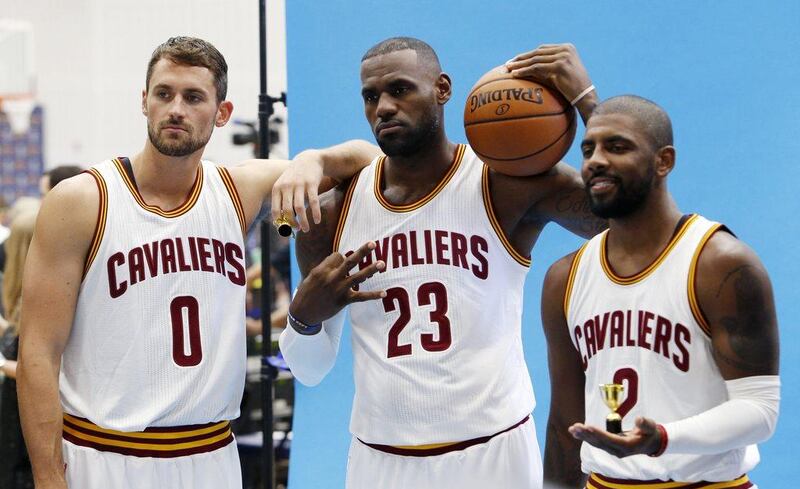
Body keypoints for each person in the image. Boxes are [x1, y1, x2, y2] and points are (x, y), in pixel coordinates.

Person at [16, 36, 380, 489]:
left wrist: (314, 158)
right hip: (103, 454)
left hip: (211, 456)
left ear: (221, 113)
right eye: (163, 94)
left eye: (193, 97)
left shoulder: (238, 190)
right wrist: (48, 477)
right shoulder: (83, 200)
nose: (175, 109)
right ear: (144, 102)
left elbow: (372, 162)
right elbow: (37, 352)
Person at [278, 37, 605, 489]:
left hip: (494, 451)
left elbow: (630, 222)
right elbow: (309, 371)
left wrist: (589, 105)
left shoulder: (502, 184)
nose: (384, 107)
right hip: (381, 460)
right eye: (371, 97)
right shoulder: (332, 213)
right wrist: (303, 319)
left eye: (400, 90)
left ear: (443, 89)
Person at [540, 95, 780, 488]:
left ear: (663, 161)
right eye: (588, 149)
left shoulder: (720, 264)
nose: (595, 160)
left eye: (617, 147)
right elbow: (565, 421)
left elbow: (760, 411)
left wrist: (663, 439)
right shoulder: (564, 278)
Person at [0, 210, 38, 489]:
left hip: (27, 410)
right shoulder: (28, 293)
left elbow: (39, 367)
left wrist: (1, 364)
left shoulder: (38, 297)